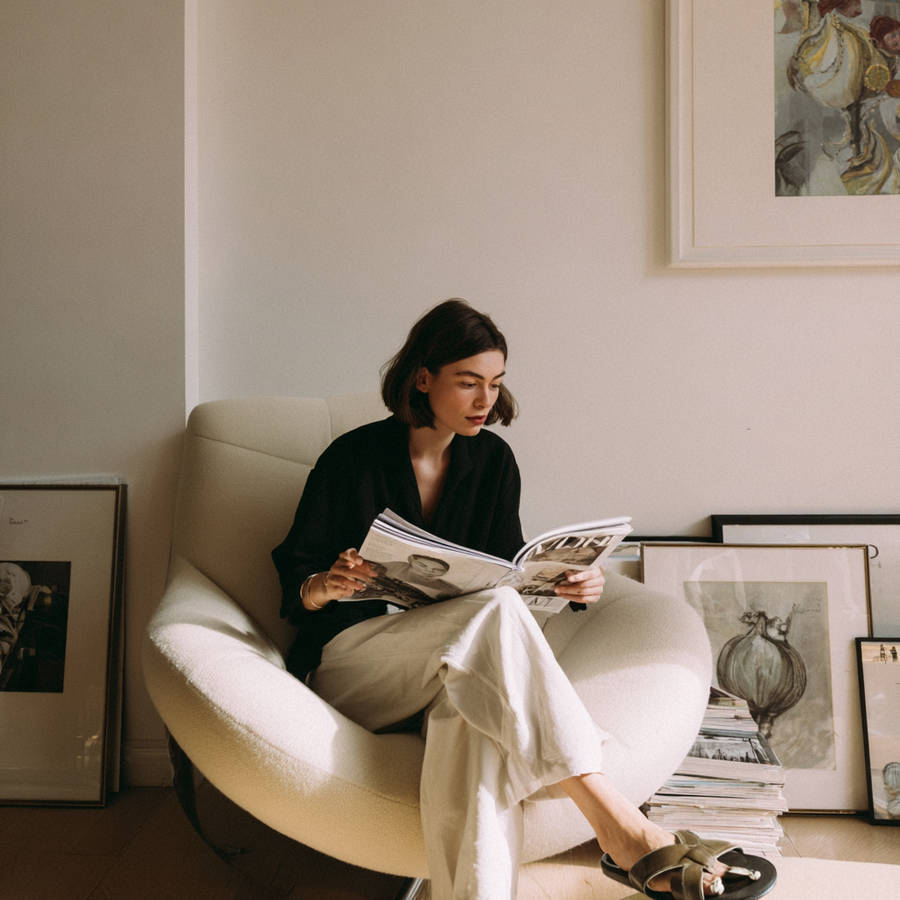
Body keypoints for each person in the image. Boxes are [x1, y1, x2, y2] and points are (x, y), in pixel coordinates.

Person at [273, 299, 776, 900]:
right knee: (493, 623)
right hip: (357, 669)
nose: (485, 400)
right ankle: (623, 827)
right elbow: (294, 581)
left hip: (457, 670)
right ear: (423, 378)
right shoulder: (351, 458)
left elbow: (507, 577)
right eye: (468, 383)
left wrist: (570, 585)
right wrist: (322, 585)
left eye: (495, 383)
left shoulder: (493, 461)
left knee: (472, 736)